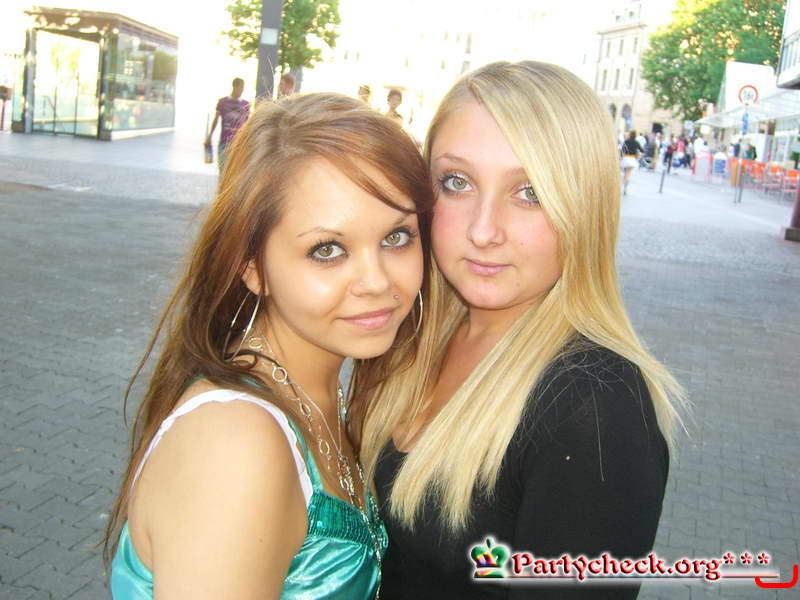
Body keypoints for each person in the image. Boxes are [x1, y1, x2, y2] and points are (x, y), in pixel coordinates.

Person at [355, 61, 686, 600]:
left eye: (529, 191)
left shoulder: (595, 408)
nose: (484, 230)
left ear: (585, 208)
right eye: (457, 183)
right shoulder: (406, 338)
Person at [104, 92, 434, 599]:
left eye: (396, 237)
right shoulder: (235, 441)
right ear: (252, 266)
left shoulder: (318, 391)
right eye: (328, 249)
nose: (376, 281)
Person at [205, 77, 250, 172]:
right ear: (234, 87)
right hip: (224, 143)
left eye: (243, 88)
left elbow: (248, 124)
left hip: (238, 144)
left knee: (234, 172)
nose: (242, 90)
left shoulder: (245, 104)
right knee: (223, 171)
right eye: (241, 87)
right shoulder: (222, 102)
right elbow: (216, 119)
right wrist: (210, 136)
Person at [621, 130, 644, 195]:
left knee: (625, 173)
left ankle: (623, 186)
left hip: (625, 158)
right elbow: (642, 150)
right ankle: (625, 188)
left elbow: (622, 149)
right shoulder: (636, 142)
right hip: (632, 159)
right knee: (628, 174)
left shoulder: (626, 141)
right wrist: (639, 156)